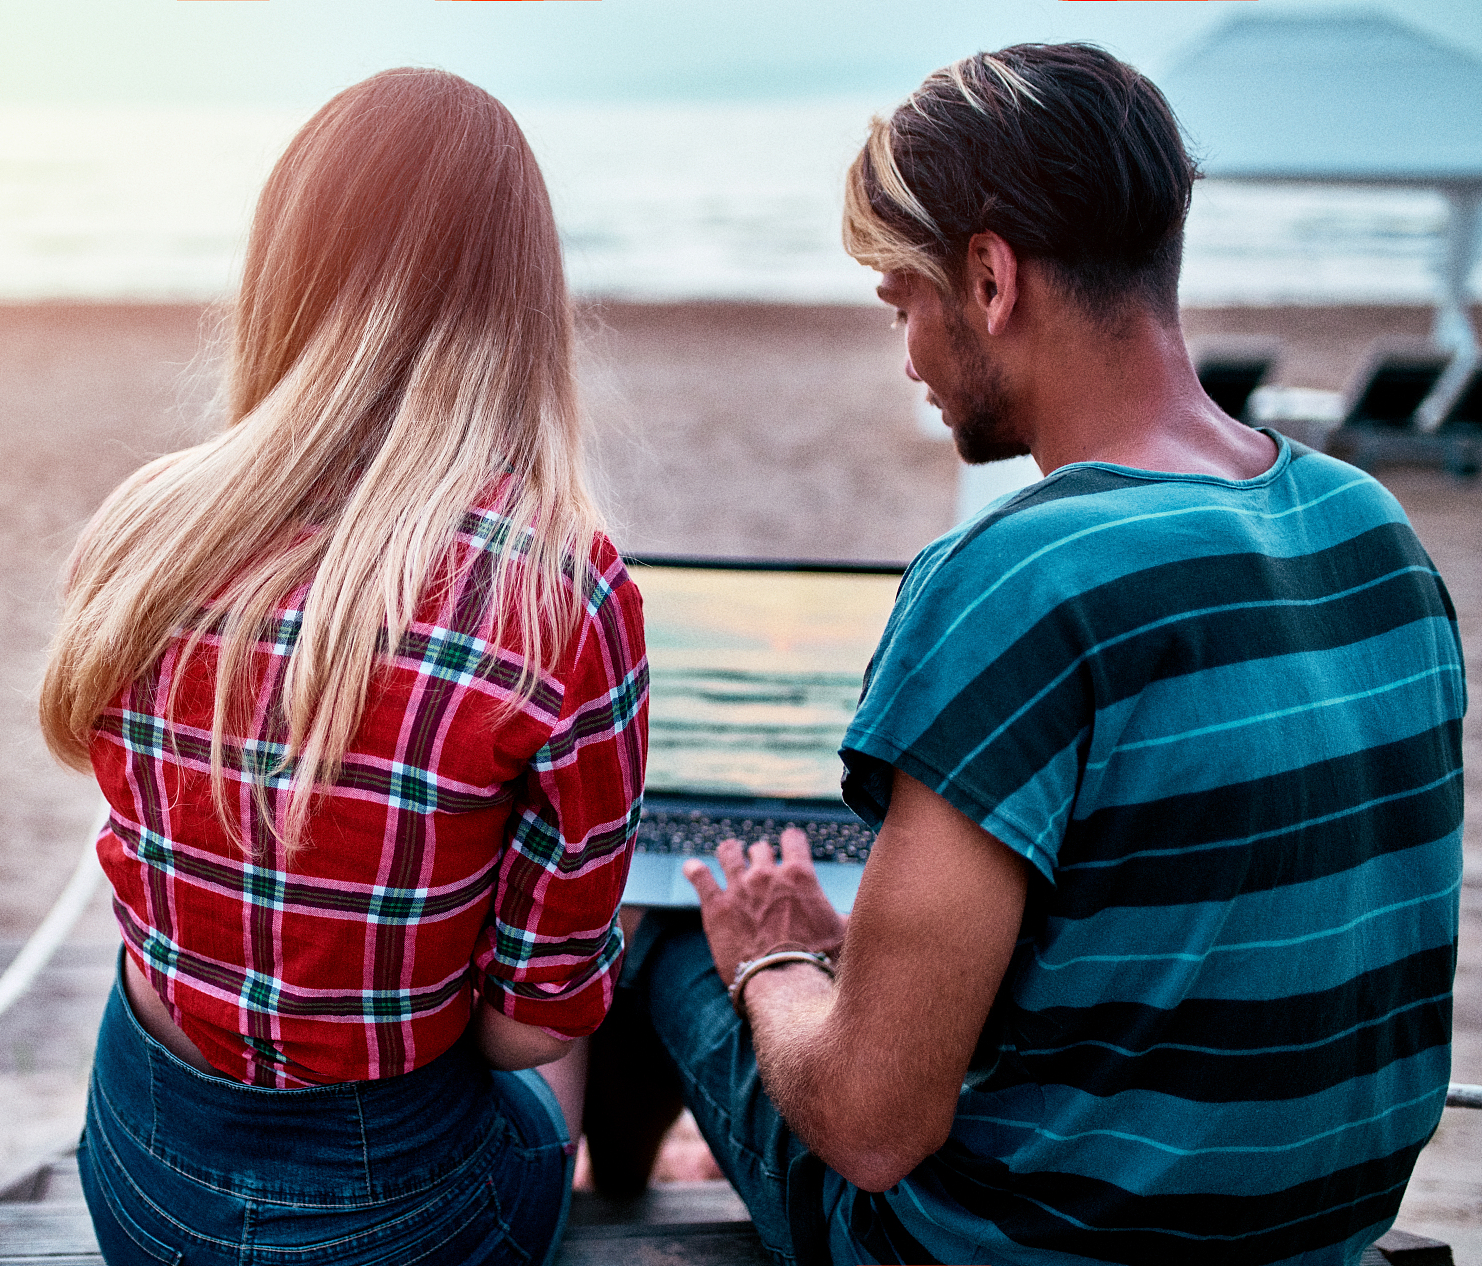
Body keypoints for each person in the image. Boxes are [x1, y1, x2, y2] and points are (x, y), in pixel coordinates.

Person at [585, 43, 1466, 1265]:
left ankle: (608, 1213)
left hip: (1020, 1248)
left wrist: (775, 955)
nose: (907, 357)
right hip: (1311, 1225)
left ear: (990, 278)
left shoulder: (1013, 581)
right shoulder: (1367, 527)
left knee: (685, 925)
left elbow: (873, 1126)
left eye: (903, 304)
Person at [38, 68, 647, 1266]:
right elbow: (527, 1034)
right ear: (522, 297)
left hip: (143, 1174)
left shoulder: (142, 525)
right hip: (392, 1214)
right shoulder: (559, 592)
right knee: (610, 993)